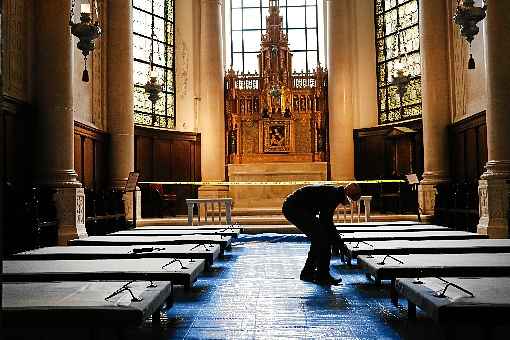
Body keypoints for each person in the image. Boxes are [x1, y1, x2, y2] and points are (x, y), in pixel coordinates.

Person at [282, 183, 361, 285]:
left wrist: (339, 243)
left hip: (295, 207)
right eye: (350, 200)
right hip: (294, 208)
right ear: (348, 194)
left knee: (319, 239)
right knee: (323, 239)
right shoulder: (334, 195)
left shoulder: (335, 193)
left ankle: (308, 272)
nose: (348, 203)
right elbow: (326, 222)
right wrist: (341, 245)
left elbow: (326, 222)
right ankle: (322, 275)